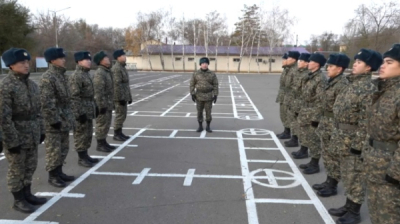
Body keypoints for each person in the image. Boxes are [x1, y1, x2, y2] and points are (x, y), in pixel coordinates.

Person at [328, 48, 382, 224]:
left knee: (355, 176)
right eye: (355, 61)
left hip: (352, 140)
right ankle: (348, 205)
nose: (355, 65)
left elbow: (365, 121)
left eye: (359, 62)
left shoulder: (368, 88)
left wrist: (357, 146)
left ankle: (355, 212)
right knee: (347, 174)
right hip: (342, 136)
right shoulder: (352, 83)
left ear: (369, 68)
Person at [0, 48, 47, 213]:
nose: (26, 65)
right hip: (16, 134)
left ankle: (27, 194)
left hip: (32, 133)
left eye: (27, 62)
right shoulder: (6, 86)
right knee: (16, 169)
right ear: (11, 65)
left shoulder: (32, 85)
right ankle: (18, 200)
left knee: (30, 165)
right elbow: (3, 118)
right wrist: (11, 141)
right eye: (22, 63)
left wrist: (42, 130)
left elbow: (39, 111)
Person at [364, 43, 400, 224]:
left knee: (389, 216)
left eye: (389, 62)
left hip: (390, 169)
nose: (382, 66)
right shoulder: (384, 90)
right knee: (375, 211)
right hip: (375, 162)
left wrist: (395, 174)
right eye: (383, 62)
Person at [312, 53, 349, 197]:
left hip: (334, 124)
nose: (327, 68)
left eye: (331, 66)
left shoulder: (342, 85)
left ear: (339, 69)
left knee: (333, 156)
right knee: (327, 155)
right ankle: (329, 181)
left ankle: (333, 185)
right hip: (326, 123)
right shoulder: (331, 81)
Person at [40, 47, 75, 188]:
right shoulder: (48, 78)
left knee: (63, 147)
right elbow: (47, 101)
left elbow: (68, 98)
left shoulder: (63, 76)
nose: (64, 60)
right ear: (53, 60)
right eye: (61, 58)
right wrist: (53, 120)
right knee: (53, 150)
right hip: (54, 121)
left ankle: (59, 172)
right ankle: (53, 176)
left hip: (64, 118)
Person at [295, 53, 327, 175]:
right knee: (306, 135)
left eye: (311, 61)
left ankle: (315, 163)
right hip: (306, 110)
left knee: (314, 139)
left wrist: (316, 118)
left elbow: (321, 100)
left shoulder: (320, 79)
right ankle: (310, 160)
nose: (308, 63)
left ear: (317, 64)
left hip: (313, 112)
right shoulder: (311, 76)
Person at [69, 51, 99, 167]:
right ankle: (81, 158)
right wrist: (79, 113)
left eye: (89, 59)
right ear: (79, 61)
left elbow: (91, 94)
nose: (89, 61)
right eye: (86, 60)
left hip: (88, 108)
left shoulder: (87, 74)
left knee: (87, 133)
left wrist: (95, 106)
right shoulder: (76, 76)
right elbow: (74, 96)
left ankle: (86, 155)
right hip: (81, 110)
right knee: (81, 134)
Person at [285, 52, 310, 148]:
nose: (299, 62)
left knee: (302, 126)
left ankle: (299, 142)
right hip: (295, 100)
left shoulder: (306, 74)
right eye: (299, 60)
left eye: (301, 61)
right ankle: (294, 138)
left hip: (301, 103)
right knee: (294, 121)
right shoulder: (299, 72)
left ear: (306, 63)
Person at [93, 51, 117, 152]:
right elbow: (99, 91)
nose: (108, 59)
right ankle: (100, 144)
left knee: (106, 124)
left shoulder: (107, 71)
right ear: (101, 61)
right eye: (106, 58)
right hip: (103, 104)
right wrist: (101, 105)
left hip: (108, 103)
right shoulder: (100, 73)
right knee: (101, 124)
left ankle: (104, 141)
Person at [189, 57, 219, 132]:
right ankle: (200, 126)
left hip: (209, 96)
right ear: (200, 64)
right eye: (202, 63)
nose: (204, 65)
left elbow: (215, 84)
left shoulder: (212, 74)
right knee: (199, 112)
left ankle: (208, 126)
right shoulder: (196, 73)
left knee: (208, 112)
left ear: (208, 64)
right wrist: (192, 93)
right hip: (199, 96)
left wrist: (215, 95)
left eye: (206, 63)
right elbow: (192, 84)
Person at [112, 49, 132, 141]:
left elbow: (125, 85)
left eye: (124, 55)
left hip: (124, 96)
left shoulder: (122, 67)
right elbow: (117, 85)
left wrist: (129, 97)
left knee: (123, 115)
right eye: (122, 55)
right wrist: (120, 98)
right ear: (118, 57)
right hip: (119, 97)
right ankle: (116, 134)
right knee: (120, 115)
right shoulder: (117, 69)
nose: (125, 57)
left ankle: (120, 132)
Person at [276, 53, 290, 138]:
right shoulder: (286, 70)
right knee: (283, 115)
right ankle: (286, 131)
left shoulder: (292, 70)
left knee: (288, 116)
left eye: (284, 59)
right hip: (283, 95)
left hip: (288, 97)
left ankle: (289, 133)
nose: (283, 61)